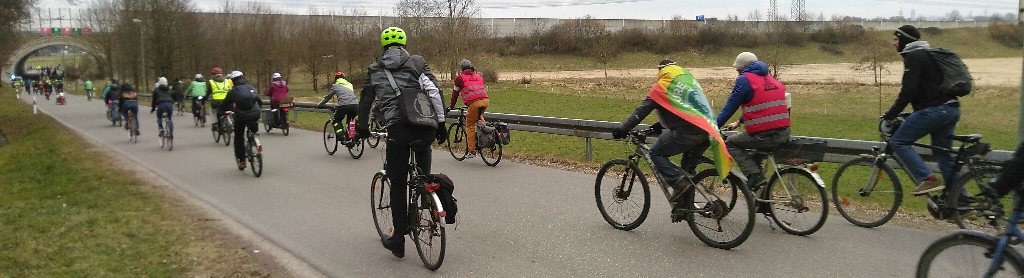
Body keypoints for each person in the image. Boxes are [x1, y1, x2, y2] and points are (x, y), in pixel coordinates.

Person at [355, 26, 448, 258]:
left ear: (383, 46)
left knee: (397, 184)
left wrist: (363, 128)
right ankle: (427, 201)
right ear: (404, 44)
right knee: (423, 176)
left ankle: (398, 240)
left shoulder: (375, 70)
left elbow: (365, 103)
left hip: (397, 129)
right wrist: (442, 122)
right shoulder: (417, 62)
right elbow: (434, 91)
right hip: (424, 126)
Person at [612, 59, 730, 222]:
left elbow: (642, 110)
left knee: (656, 153)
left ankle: (679, 184)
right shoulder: (688, 82)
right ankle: (684, 208)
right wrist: (661, 125)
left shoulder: (662, 86)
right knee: (687, 172)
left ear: (661, 71)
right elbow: (681, 108)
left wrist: (623, 129)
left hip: (687, 132)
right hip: (707, 131)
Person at [882, 25, 961, 195]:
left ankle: (928, 179)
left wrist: (891, 114)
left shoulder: (914, 56)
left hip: (935, 111)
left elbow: (909, 90)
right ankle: (961, 202)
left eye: (896, 39)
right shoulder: (927, 54)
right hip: (951, 108)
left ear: (904, 40)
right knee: (943, 156)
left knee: (898, 142)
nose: (893, 43)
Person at [716, 52, 791, 190]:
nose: (737, 72)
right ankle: (761, 195)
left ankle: (755, 177)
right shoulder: (770, 79)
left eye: (738, 69)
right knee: (754, 159)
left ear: (743, 68)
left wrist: (713, 126)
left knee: (731, 143)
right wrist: (739, 122)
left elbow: (729, 108)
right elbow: (763, 106)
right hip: (784, 133)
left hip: (765, 136)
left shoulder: (744, 80)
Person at [218, 71, 262, 170]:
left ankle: (241, 160)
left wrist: (221, 111)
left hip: (241, 116)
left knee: (239, 136)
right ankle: (255, 139)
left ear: (233, 81)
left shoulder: (233, 91)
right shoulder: (251, 87)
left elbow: (225, 104)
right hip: (255, 113)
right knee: (253, 128)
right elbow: (259, 101)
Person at [447, 59, 490, 158]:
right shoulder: (478, 76)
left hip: (474, 103)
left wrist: (451, 107)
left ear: (461, 68)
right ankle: (487, 134)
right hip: (485, 101)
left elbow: (455, 94)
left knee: (470, 125)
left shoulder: (459, 78)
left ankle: (471, 151)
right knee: (478, 118)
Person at [317, 72, 357, 142]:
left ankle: (340, 135)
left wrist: (320, 104)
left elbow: (327, 97)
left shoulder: (335, 86)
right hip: (356, 104)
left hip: (344, 105)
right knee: (351, 122)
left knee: (336, 120)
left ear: (335, 79)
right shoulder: (350, 85)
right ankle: (351, 138)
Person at [205, 67, 234, 131]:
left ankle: (215, 124)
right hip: (226, 100)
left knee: (212, 111)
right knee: (228, 110)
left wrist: (205, 98)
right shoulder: (226, 81)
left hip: (216, 101)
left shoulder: (211, 81)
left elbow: (208, 92)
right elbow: (229, 90)